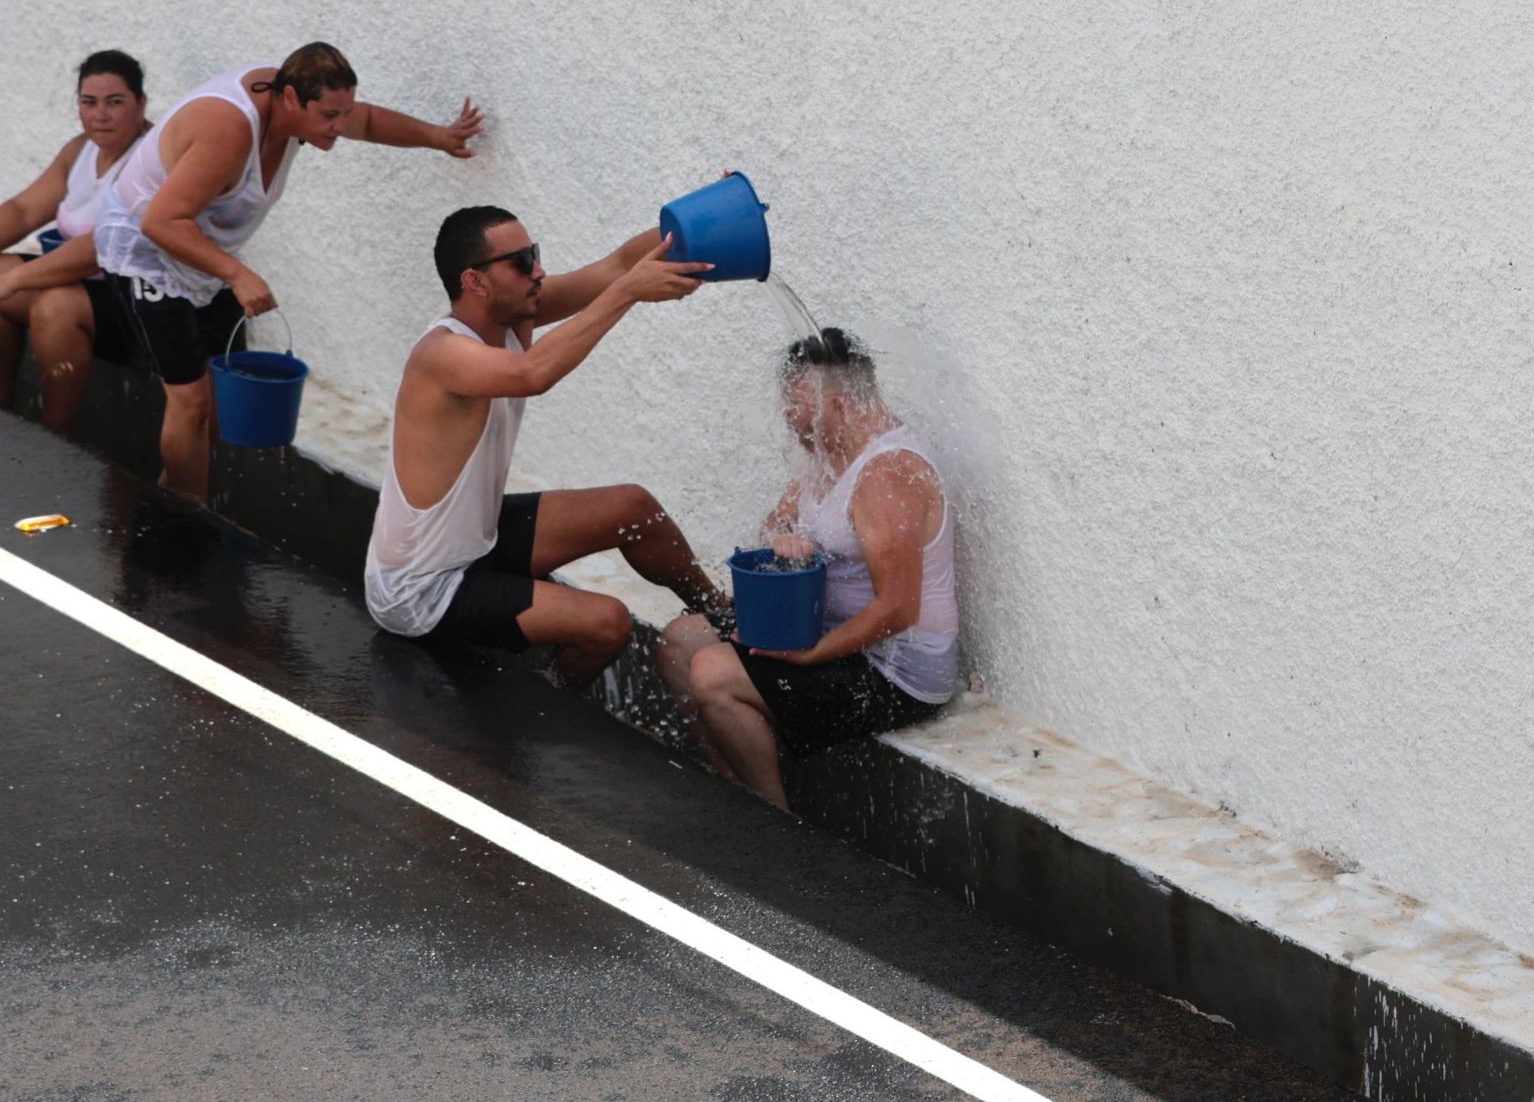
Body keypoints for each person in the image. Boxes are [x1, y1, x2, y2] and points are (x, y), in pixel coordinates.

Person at [1, 42, 486, 500]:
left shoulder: (300, 108)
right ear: (291, 98)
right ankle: (186, 511)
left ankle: (181, 499)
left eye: (343, 114)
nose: (340, 126)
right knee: (189, 399)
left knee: (211, 408)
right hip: (144, 256)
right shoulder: (228, 130)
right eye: (330, 116)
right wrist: (238, 275)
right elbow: (160, 221)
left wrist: (439, 138)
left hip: (199, 259)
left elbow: (369, 120)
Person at [363, 205, 729, 687]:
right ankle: (546, 708)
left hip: (480, 538)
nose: (538, 271)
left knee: (634, 509)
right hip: (424, 587)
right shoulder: (442, 354)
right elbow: (532, 375)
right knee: (607, 623)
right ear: (475, 282)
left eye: (534, 254)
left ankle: (728, 621)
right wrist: (629, 295)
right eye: (520, 262)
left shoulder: (514, 312)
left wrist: (703, 218)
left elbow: (618, 266)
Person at [657, 328, 959, 809]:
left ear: (838, 407)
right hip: (834, 636)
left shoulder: (886, 478)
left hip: (895, 673)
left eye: (795, 405)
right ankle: (733, 783)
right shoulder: (829, 454)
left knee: (713, 673)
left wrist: (811, 655)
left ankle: (776, 821)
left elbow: (899, 609)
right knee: (679, 642)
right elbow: (777, 519)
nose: (787, 417)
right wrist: (782, 537)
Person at [0, 50, 151, 433]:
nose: (100, 114)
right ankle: (4, 417)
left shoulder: (150, 160)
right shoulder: (79, 150)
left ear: (141, 104)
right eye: (90, 102)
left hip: (136, 304)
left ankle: (57, 438)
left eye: (115, 102)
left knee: (55, 303)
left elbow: (99, 251)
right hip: (76, 283)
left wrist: (18, 279)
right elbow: (21, 210)